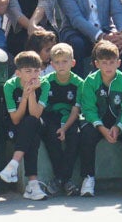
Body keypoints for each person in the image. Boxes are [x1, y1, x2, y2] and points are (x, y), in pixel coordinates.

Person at [74, 39, 122, 197]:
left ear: (119, 63)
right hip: (96, 122)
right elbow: (88, 109)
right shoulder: (89, 82)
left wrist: (118, 126)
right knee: (86, 134)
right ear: (96, 64)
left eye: (112, 62)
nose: (108, 66)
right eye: (104, 62)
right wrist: (101, 128)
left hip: (118, 122)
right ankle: (88, 178)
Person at [40, 42, 86, 198]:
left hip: (70, 118)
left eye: (65, 61)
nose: (61, 65)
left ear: (72, 63)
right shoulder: (46, 81)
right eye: (57, 62)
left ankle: (59, 179)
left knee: (75, 136)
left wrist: (65, 128)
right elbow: (44, 108)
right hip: (51, 116)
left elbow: (75, 110)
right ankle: (66, 180)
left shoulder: (79, 83)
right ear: (51, 64)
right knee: (51, 135)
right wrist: (58, 128)